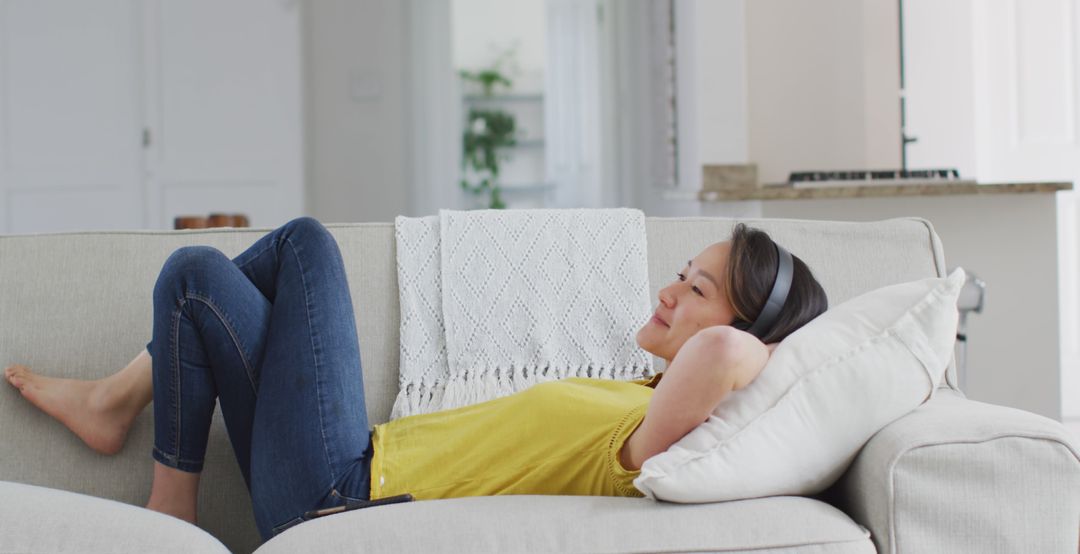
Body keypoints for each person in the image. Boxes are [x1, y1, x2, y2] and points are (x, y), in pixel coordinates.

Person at [4, 216, 828, 541]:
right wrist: (718, 314)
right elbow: (718, 350)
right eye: (680, 272)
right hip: (339, 462)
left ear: (741, 329)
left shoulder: (653, 445)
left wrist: (759, 339)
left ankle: (168, 510)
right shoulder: (636, 398)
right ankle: (123, 414)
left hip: (340, 492)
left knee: (306, 245)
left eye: (695, 290)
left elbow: (726, 359)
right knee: (195, 275)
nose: (666, 290)